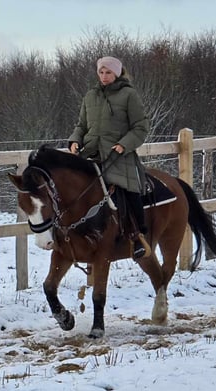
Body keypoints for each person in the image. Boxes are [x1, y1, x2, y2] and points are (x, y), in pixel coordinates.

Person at [68, 56, 151, 259]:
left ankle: (137, 236)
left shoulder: (129, 95)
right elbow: (81, 125)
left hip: (119, 154)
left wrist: (124, 144)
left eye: (108, 73)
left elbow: (141, 127)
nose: (104, 76)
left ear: (117, 73)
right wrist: (74, 141)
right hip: (90, 153)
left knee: (127, 190)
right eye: (101, 72)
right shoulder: (90, 96)